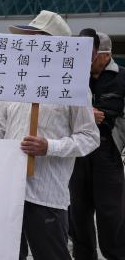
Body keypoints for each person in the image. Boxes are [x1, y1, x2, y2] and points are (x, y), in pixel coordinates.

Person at [0, 10, 100, 260]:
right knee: (8, 254)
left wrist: (49, 146)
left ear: (56, 44)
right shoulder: (14, 84)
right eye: (27, 38)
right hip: (9, 190)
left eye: (35, 37)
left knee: (52, 255)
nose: (28, 44)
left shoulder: (74, 87)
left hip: (46, 195)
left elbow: (90, 137)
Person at [69, 29, 125, 260]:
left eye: (90, 56)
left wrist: (118, 143)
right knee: (78, 215)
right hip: (78, 154)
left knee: (111, 216)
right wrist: (85, 114)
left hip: (108, 154)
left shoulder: (122, 77)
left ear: (105, 55)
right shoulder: (73, 76)